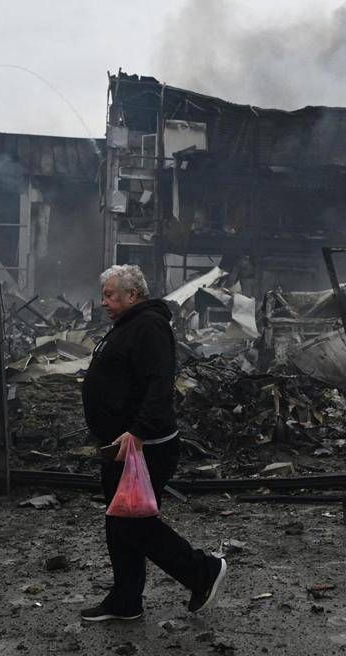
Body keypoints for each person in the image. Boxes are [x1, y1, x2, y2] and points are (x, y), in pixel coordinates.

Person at [79, 264, 227, 622]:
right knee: (120, 524)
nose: (103, 302)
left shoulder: (149, 326)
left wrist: (139, 432)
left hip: (144, 446)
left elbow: (159, 385)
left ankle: (203, 571)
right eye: (103, 295)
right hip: (123, 444)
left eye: (109, 295)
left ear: (132, 295)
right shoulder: (129, 324)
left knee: (133, 524)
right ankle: (126, 601)